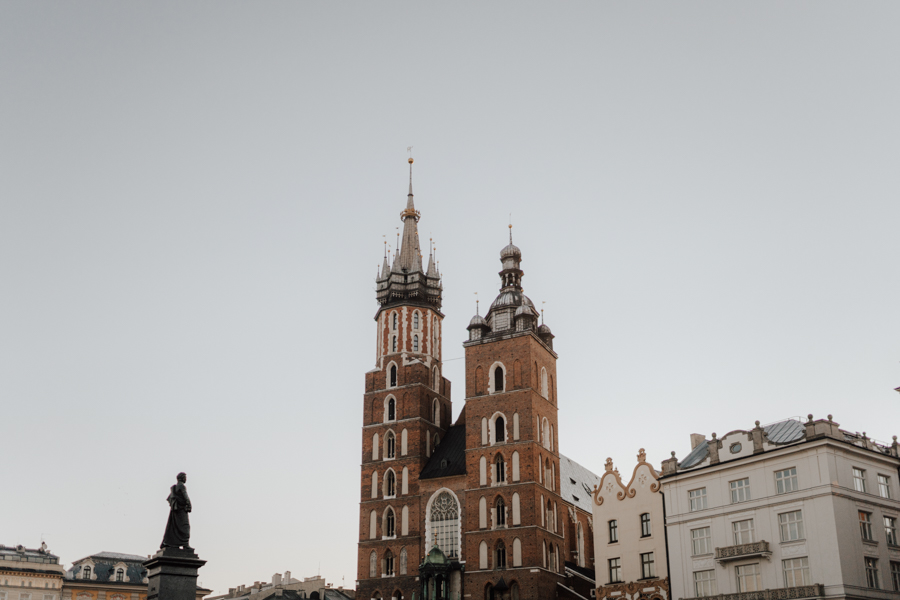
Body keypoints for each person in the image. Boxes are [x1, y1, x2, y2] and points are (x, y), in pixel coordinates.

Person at [161, 472, 192, 550]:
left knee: (174, 527)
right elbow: (186, 496)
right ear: (182, 478)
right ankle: (185, 544)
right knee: (185, 526)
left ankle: (173, 543)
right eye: (185, 477)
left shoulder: (174, 488)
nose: (186, 479)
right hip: (181, 510)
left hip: (175, 511)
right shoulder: (182, 486)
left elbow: (170, 498)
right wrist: (189, 505)